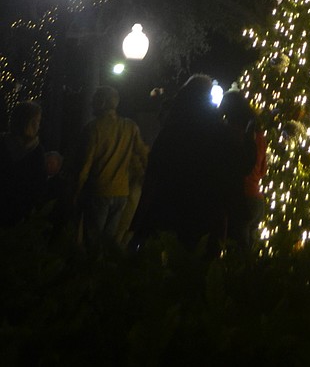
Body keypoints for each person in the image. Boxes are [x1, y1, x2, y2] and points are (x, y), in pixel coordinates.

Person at [131, 74, 248, 254]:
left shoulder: (172, 131)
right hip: (205, 211)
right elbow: (231, 173)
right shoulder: (219, 132)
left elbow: (154, 172)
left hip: (170, 208)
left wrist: (142, 215)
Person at [70, 85, 148, 250]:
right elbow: (143, 153)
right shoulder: (130, 126)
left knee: (92, 241)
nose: (91, 104)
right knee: (109, 242)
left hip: (98, 190)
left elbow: (85, 164)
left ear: (101, 102)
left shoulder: (93, 128)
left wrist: (76, 191)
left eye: (94, 100)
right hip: (121, 191)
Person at [218, 89, 268, 249]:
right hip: (256, 199)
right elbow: (262, 170)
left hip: (241, 199)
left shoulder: (233, 133)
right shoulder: (258, 133)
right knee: (249, 254)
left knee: (236, 253)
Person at [0, 100, 48, 227]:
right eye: (37, 121)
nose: (39, 125)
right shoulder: (36, 151)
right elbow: (38, 185)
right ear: (29, 123)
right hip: (21, 213)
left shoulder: (3, 143)